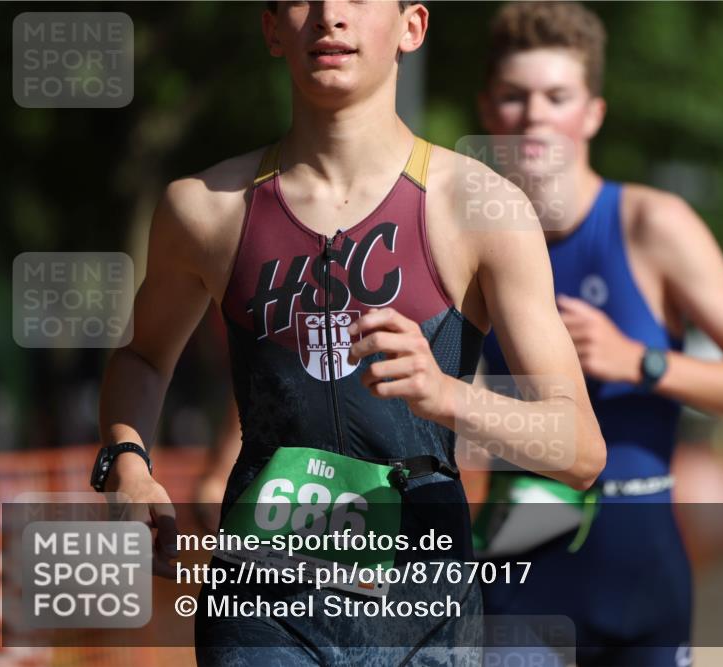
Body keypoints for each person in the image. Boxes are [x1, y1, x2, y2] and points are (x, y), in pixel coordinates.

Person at [93, 2, 606, 665]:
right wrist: (127, 469)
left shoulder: (482, 207)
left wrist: (446, 394)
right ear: (272, 27)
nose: (331, 15)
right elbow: (141, 356)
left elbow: (581, 450)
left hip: (426, 614)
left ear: (411, 27)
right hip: (261, 608)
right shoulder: (204, 208)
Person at [465, 3, 723, 665]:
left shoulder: (652, 224)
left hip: (642, 578)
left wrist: (639, 361)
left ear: (592, 113)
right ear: (487, 110)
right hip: (519, 575)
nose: (534, 116)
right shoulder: (463, 239)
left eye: (557, 96)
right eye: (514, 96)